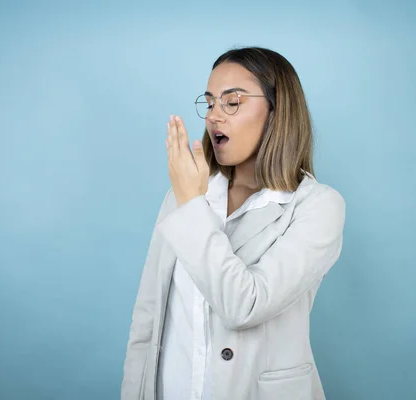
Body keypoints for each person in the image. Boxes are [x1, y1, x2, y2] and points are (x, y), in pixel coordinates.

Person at [121, 46, 346, 400]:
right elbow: (147, 321)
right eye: (210, 103)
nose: (214, 116)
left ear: (276, 111)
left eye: (232, 102)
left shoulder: (318, 206)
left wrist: (192, 204)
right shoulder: (185, 193)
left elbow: (246, 306)